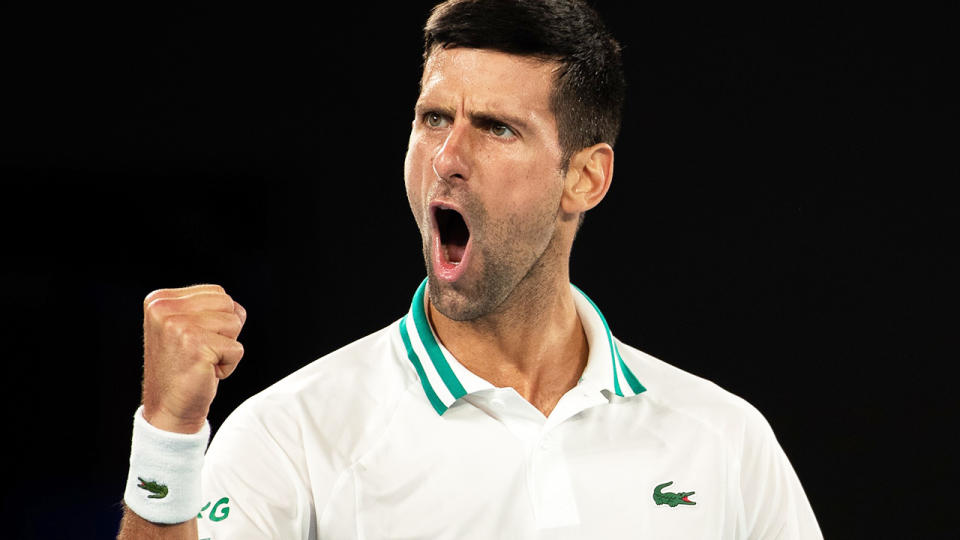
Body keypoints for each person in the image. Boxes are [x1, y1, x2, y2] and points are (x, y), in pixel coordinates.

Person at [118, 0, 822, 538]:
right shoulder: (291, 434)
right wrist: (168, 437)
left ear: (585, 178)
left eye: (496, 127)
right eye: (432, 119)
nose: (447, 158)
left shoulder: (724, 442)